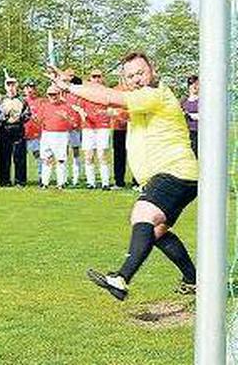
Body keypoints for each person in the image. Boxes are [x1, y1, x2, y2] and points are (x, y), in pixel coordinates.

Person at [50, 53, 198, 301]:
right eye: (130, 76)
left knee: (143, 215)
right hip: (174, 175)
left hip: (175, 171)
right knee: (156, 232)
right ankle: (193, 280)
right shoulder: (142, 97)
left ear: (153, 69)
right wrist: (73, 82)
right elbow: (106, 95)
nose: (137, 79)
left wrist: (68, 87)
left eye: (141, 73)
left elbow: (109, 97)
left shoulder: (154, 94)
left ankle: (121, 279)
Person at [34, 85, 75, 188]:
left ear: (59, 94)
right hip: (47, 134)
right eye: (50, 94)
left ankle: (61, 183)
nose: (53, 96)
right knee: (46, 158)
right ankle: (45, 183)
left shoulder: (66, 106)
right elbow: (38, 120)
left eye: (54, 94)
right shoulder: (44, 106)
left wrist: (67, 119)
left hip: (61, 134)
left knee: (61, 159)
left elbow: (73, 123)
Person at [78, 70, 113, 189]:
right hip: (88, 127)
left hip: (102, 127)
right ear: (90, 78)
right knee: (88, 156)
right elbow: (79, 107)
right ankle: (91, 182)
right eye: (94, 77)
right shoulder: (85, 93)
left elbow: (112, 107)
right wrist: (82, 113)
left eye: (99, 77)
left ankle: (105, 183)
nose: (96, 79)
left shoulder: (107, 92)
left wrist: (109, 112)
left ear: (102, 78)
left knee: (102, 155)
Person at [0, 77, 30, 187]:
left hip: (18, 129)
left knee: (19, 156)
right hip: (5, 129)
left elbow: (28, 114)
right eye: (8, 85)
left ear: (16, 86)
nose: (11, 87)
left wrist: (19, 118)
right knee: (4, 156)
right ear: (5, 87)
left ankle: (20, 181)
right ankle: (4, 180)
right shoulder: (1, 100)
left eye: (13, 85)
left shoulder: (22, 100)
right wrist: (5, 118)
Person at [110, 78, 131, 189]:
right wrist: (118, 116)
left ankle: (137, 181)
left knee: (134, 153)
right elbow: (110, 108)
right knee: (118, 155)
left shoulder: (134, 90)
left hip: (133, 126)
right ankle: (119, 181)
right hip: (118, 127)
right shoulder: (115, 91)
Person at [65, 77, 85, 186]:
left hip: (76, 129)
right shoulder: (66, 96)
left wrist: (80, 125)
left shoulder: (82, 98)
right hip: (65, 128)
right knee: (64, 152)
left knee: (76, 152)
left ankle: (76, 177)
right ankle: (64, 177)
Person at [22, 80, 43, 181]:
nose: (29, 90)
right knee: (21, 158)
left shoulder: (41, 101)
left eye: (32, 87)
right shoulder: (20, 101)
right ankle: (21, 178)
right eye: (27, 87)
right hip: (23, 133)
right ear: (23, 89)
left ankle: (42, 177)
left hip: (37, 134)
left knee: (38, 156)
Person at [181, 75, 199, 155]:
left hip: (198, 132)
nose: (194, 86)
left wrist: (192, 116)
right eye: (191, 84)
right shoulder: (184, 101)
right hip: (186, 132)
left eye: (197, 84)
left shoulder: (202, 101)